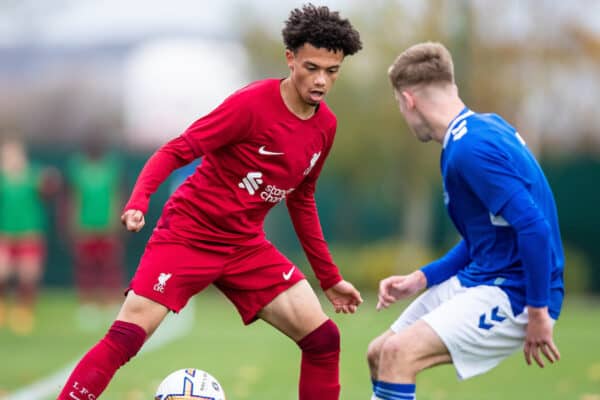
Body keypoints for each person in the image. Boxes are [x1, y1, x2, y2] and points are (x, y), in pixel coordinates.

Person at [57, 4, 363, 400]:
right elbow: (177, 150)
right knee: (127, 336)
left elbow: (302, 200)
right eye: (311, 67)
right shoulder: (251, 105)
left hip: (244, 245)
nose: (321, 80)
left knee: (323, 339)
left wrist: (329, 278)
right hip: (187, 234)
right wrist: (139, 199)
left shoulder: (325, 127)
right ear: (290, 58)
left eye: (332, 71)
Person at [366, 42, 565, 400]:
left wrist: (538, 311)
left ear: (408, 100)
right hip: (483, 276)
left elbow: (534, 227)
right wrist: (422, 278)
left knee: (399, 354)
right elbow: (487, 237)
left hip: (516, 292)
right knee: (380, 353)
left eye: (399, 105)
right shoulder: (478, 131)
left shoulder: (471, 150)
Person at [0, 137, 59, 335]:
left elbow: (48, 190)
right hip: (6, 233)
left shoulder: (33, 175)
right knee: (3, 271)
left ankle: (24, 311)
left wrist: (51, 181)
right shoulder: (3, 178)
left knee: (28, 274)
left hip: (29, 233)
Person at [64, 137, 125, 322]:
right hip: (86, 225)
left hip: (106, 225)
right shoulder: (78, 169)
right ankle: (87, 303)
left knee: (109, 265)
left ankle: (110, 301)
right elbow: (74, 197)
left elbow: (116, 195)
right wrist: (73, 222)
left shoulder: (111, 168)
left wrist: (117, 220)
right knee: (86, 266)